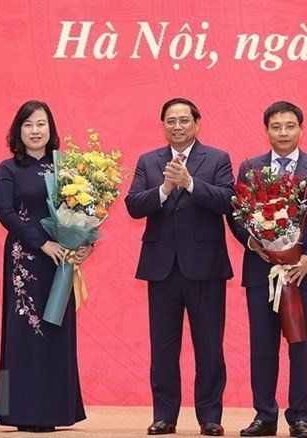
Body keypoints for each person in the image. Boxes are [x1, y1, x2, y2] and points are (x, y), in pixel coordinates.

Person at [229, 101, 307, 438]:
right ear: (267, 131)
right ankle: (264, 416)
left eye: (290, 126)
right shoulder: (250, 168)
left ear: (300, 129)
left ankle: (300, 418)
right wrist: (254, 244)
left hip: (302, 275)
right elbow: (237, 215)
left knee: (301, 347)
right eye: (276, 126)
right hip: (261, 274)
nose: (283, 132)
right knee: (262, 347)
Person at [125, 97, 235, 436]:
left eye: (184, 120)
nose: (177, 126)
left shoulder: (217, 158)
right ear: (163, 125)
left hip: (206, 268)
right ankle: (164, 416)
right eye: (170, 120)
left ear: (197, 123)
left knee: (209, 347)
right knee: (163, 347)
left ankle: (210, 418)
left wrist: (189, 183)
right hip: (162, 269)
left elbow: (228, 201)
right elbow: (133, 206)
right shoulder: (149, 161)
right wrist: (164, 188)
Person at [0, 100, 92, 432]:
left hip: (61, 262)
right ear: (18, 131)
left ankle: (57, 411)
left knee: (57, 330)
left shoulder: (65, 167)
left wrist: (83, 246)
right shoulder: (9, 168)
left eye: (41, 124)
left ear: (51, 129)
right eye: (28, 125)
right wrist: (42, 242)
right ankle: (21, 412)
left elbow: (84, 212)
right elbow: (5, 213)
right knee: (24, 331)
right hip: (26, 259)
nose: (35, 131)